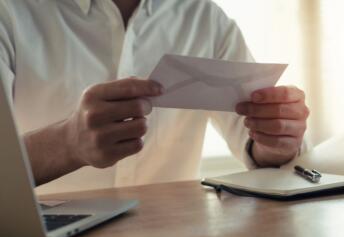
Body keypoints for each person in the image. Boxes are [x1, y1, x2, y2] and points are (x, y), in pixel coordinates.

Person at [0, 0, 309, 192]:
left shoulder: (205, 18)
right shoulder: (10, 12)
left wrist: (277, 139)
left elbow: (259, 146)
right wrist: (68, 143)